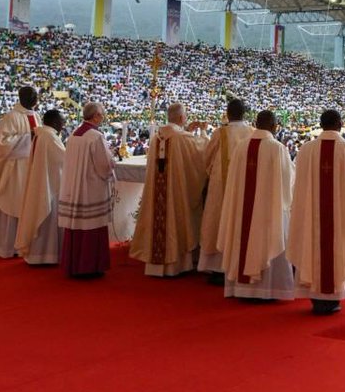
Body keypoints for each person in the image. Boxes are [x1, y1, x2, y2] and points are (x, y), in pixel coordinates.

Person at [288, 109, 345, 315]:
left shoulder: (306, 150)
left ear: (321, 125)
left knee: (312, 247)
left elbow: (298, 183)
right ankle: (333, 296)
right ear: (340, 124)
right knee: (339, 248)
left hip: (312, 215)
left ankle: (316, 296)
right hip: (341, 214)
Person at [218, 110, 294, 301]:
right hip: (268, 210)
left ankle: (241, 288)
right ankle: (267, 290)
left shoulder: (241, 147)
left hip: (242, 211)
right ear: (274, 126)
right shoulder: (277, 148)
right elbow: (288, 182)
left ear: (256, 123)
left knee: (242, 238)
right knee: (270, 239)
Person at [130, 103, 209, 278]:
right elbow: (202, 153)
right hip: (175, 193)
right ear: (181, 117)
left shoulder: (156, 137)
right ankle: (176, 265)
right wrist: (203, 131)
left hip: (158, 193)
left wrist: (187, 131)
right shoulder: (182, 137)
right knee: (176, 216)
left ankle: (154, 266)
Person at [58, 102, 116, 278]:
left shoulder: (74, 135)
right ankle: (89, 267)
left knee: (77, 226)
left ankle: (74, 264)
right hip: (90, 188)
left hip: (74, 186)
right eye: (102, 115)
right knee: (92, 226)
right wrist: (112, 161)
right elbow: (104, 164)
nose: (103, 118)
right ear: (96, 116)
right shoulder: (95, 136)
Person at [198, 98, 251, 285]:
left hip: (220, 185)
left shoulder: (220, 133)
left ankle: (217, 267)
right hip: (245, 185)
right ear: (244, 114)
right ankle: (241, 264)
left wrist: (210, 173)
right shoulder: (253, 132)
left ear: (227, 114)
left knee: (217, 219)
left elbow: (207, 157)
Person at [0, 88, 40, 255]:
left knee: (27, 206)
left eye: (35, 96)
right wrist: (27, 137)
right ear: (23, 97)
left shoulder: (36, 116)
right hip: (14, 169)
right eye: (32, 96)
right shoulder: (11, 116)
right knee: (11, 203)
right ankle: (7, 247)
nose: (35, 99)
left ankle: (24, 245)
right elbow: (1, 144)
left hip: (31, 167)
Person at [14, 109, 66, 266]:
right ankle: (46, 256)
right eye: (62, 121)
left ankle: (38, 254)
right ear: (54, 121)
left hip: (44, 180)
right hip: (49, 185)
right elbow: (65, 159)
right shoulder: (49, 136)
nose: (63, 124)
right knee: (47, 217)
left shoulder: (41, 134)